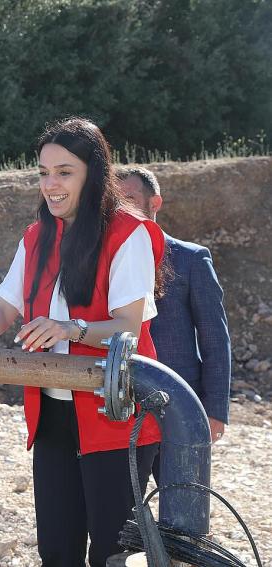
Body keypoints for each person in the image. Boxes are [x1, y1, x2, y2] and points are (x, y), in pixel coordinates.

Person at [0, 118, 165, 567]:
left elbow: (127, 325)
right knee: (57, 552)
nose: (51, 184)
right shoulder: (34, 237)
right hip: (51, 417)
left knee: (113, 554)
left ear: (94, 173)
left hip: (116, 418)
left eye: (64, 172)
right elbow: (0, 317)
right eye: (44, 173)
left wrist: (72, 330)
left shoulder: (130, 232)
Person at [116, 166, 231, 461]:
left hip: (178, 405)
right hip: (121, 406)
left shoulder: (191, 259)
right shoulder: (106, 261)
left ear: (155, 203)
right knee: (123, 502)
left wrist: (215, 410)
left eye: (129, 199)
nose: (120, 209)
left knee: (182, 500)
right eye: (115, 201)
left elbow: (215, 339)